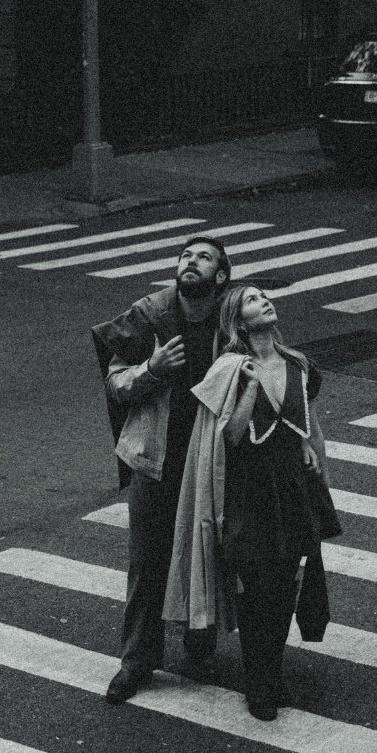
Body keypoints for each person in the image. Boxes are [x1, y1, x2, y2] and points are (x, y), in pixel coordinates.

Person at [163, 284, 339, 721]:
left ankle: (271, 672)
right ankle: (258, 681)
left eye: (266, 297)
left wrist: (308, 448)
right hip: (247, 490)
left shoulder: (298, 365)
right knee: (256, 588)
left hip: (292, 487)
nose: (266, 302)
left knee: (284, 586)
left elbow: (305, 421)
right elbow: (231, 436)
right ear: (239, 321)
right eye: (253, 300)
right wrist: (250, 387)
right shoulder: (231, 368)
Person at [91, 234, 232, 704]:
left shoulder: (232, 316)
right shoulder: (150, 315)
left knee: (206, 557)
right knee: (147, 564)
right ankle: (136, 661)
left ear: (221, 276)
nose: (192, 262)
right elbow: (115, 384)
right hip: (155, 461)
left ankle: (199, 649)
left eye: (204, 258)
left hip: (210, 465)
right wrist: (151, 368)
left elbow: (274, 359)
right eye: (186, 256)